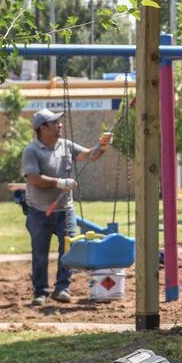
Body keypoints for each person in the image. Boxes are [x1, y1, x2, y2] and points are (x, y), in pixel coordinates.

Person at [22, 109, 111, 307]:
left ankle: (62, 287)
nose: (60, 124)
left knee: (69, 248)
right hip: (38, 211)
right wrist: (59, 183)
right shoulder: (32, 151)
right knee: (39, 253)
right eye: (55, 122)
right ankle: (40, 292)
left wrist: (102, 146)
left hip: (65, 210)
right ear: (42, 128)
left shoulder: (66, 146)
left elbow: (90, 155)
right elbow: (34, 178)